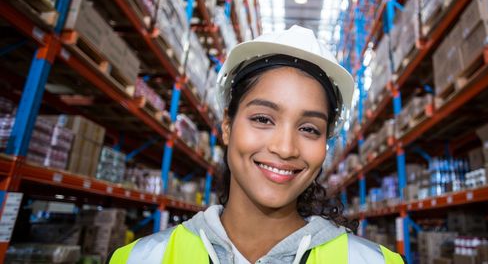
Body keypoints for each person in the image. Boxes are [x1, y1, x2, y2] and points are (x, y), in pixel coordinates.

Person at [110, 25, 404, 264]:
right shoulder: (140, 259)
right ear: (227, 126)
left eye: (309, 128)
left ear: (325, 145)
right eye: (263, 119)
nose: (285, 148)